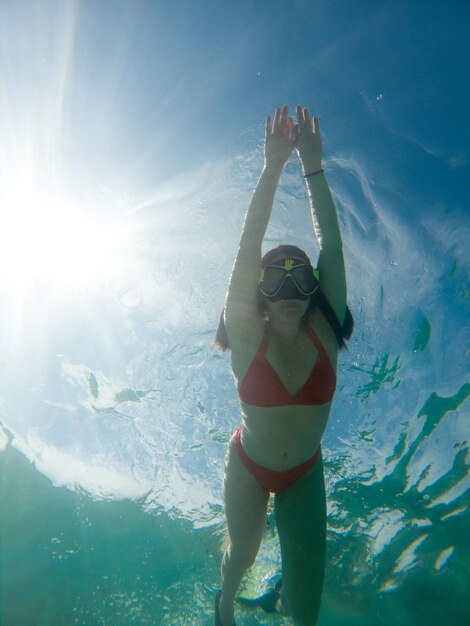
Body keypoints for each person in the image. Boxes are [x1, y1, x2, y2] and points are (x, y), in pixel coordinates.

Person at [214, 104, 353, 626]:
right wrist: (274, 166)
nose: (290, 288)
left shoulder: (324, 328)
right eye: (275, 279)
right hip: (249, 467)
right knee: (241, 558)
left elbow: (333, 248)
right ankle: (224, 604)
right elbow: (249, 246)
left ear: (317, 288)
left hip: (304, 472)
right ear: (259, 294)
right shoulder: (249, 336)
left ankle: (279, 600)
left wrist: (313, 167)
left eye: (301, 277)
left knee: (308, 608)